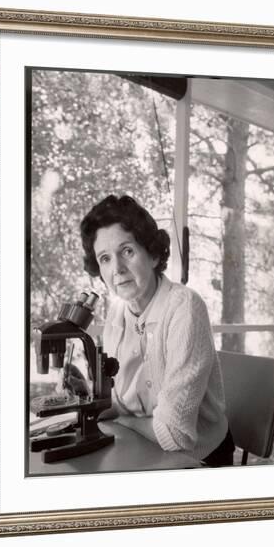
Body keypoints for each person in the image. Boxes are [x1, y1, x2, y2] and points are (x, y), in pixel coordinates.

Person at [78, 194, 235, 466]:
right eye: (105, 258)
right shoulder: (117, 312)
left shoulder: (185, 307)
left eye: (127, 251)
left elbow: (175, 436)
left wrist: (123, 420)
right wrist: (90, 402)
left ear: (151, 254)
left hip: (199, 459)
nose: (117, 269)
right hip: (143, 447)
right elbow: (119, 401)